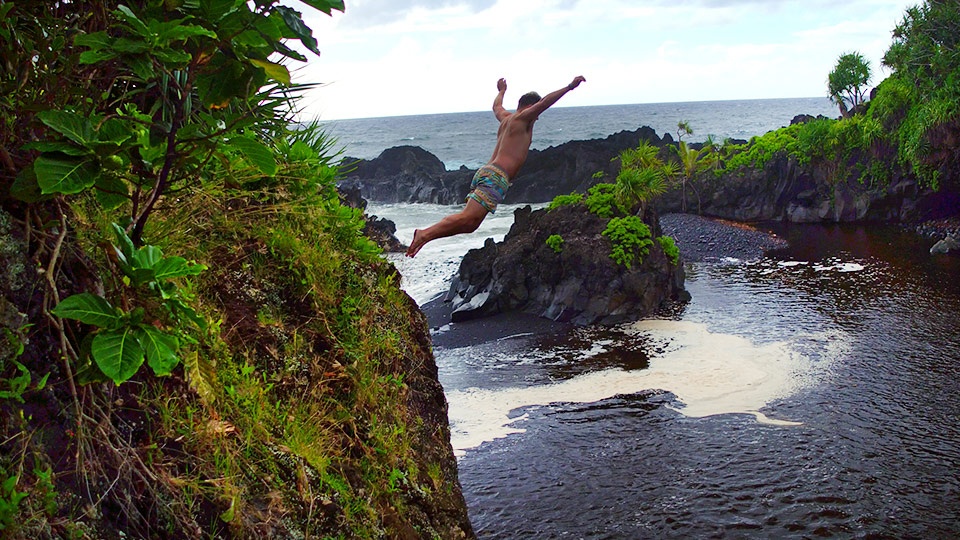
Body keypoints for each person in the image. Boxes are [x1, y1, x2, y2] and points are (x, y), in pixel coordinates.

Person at [405, 75, 586, 257]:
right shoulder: (523, 118)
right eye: (536, 114)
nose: (537, 118)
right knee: (468, 218)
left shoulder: (507, 118)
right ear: (530, 107)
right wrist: (570, 87)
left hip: (489, 173)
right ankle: (424, 234)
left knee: (471, 225)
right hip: (496, 176)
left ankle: (426, 236)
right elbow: (545, 102)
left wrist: (501, 91)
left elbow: (496, 107)